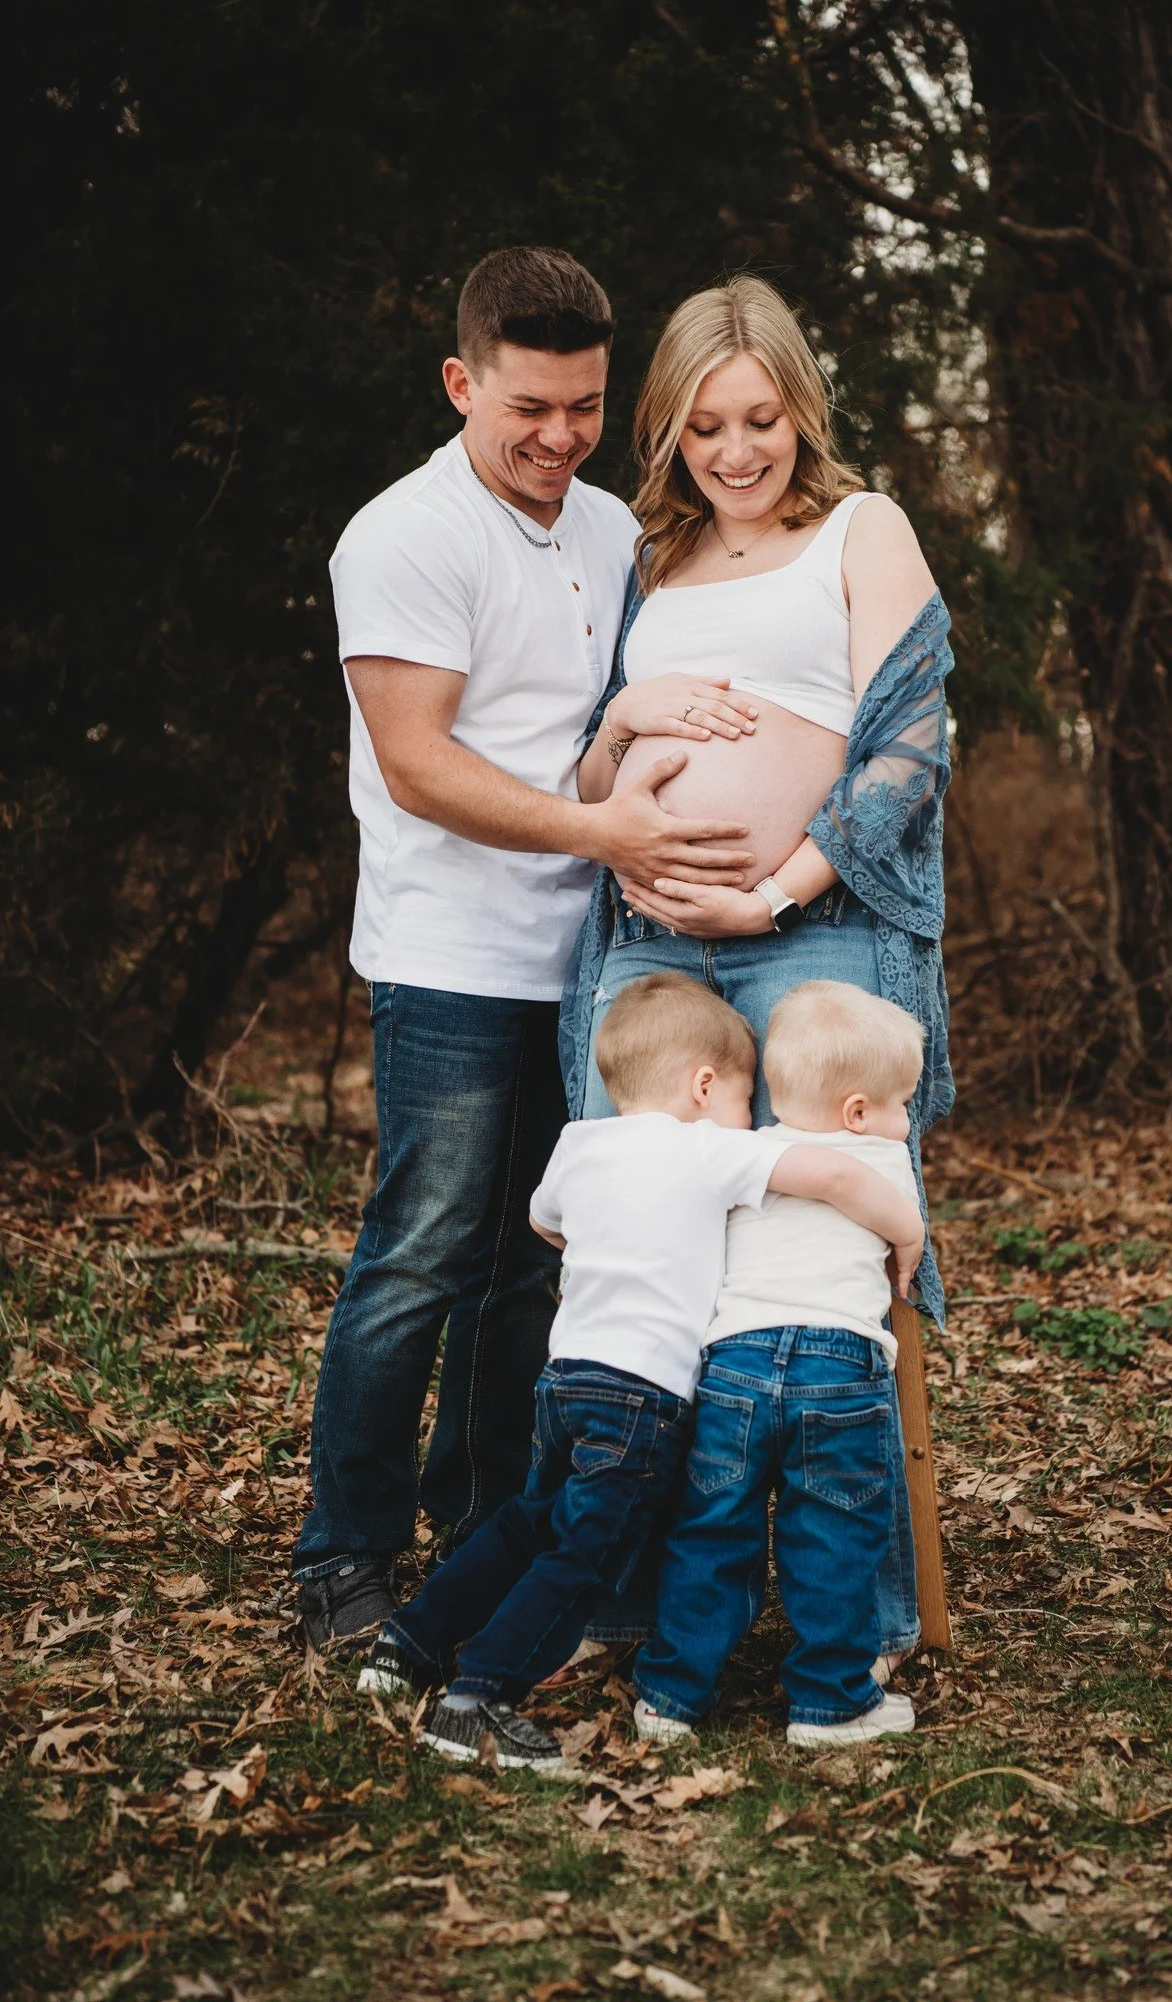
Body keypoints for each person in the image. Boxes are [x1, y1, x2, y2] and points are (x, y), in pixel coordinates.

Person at [294, 248, 759, 1653]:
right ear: (461, 382)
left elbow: (618, 714)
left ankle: (490, 1529)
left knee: (540, 1264)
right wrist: (604, 830)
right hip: (449, 955)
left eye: (585, 406)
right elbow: (419, 763)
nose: (560, 436)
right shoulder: (404, 535)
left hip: (592, 963)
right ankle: (344, 1557)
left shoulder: (614, 529)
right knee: (423, 1254)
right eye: (529, 408)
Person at [560, 274, 956, 1659]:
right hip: (648, 943)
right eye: (705, 426)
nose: (736, 452)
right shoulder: (646, 561)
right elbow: (589, 780)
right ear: (668, 429)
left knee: (828, 1257)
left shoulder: (861, 527)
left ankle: (862, 1610)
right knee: (642, 1250)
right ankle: (628, 1596)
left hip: (816, 931)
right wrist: (629, 718)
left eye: (761, 420)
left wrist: (775, 887)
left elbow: (911, 742)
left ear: (802, 411)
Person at [353, 973, 922, 1776]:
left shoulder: (578, 1143)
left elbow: (545, 1223)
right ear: (703, 1086)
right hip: (640, 1397)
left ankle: (411, 1640)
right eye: (742, 1097)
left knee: (537, 1521)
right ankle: (477, 1695)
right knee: (586, 1554)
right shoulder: (710, 1149)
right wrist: (907, 1232)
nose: (748, 1115)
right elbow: (832, 1176)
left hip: (566, 1378)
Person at [633, 980, 925, 1747]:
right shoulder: (883, 1160)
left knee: (710, 1531)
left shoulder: (735, 1154)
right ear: (857, 1112)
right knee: (832, 1535)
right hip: (838, 1366)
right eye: (903, 1103)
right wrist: (910, 1235)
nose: (907, 1120)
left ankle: (669, 1695)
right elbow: (889, 1217)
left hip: (734, 1361)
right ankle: (830, 1702)